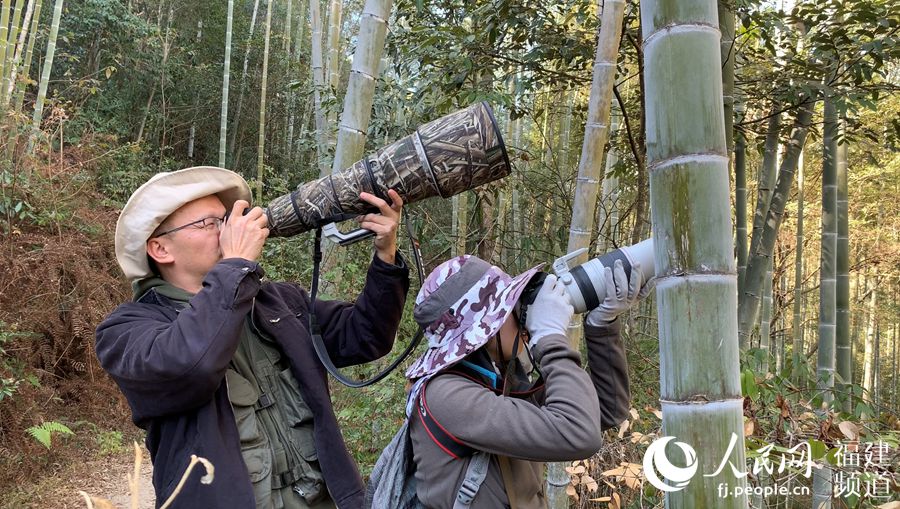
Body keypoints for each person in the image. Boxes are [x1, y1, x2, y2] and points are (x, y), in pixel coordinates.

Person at [95, 166, 410, 509]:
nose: (229, 229)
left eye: (225, 219)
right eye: (208, 223)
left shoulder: (277, 301)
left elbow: (365, 336)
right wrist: (235, 266)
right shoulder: (126, 331)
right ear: (160, 249)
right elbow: (190, 367)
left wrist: (385, 257)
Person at [403, 254, 652, 508]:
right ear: (484, 330)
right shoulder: (446, 395)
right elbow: (580, 433)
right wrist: (550, 336)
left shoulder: (497, 378)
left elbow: (605, 411)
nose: (521, 313)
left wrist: (602, 326)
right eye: (510, 308)